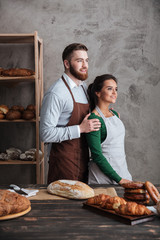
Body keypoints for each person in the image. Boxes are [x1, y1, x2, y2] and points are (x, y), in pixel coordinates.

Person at [40, 43, 101, 184]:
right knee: (63, 205)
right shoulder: (56, 93)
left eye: (86, 60)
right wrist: (80, 129)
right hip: (63, 163)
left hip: (83, 158)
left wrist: (109, 115)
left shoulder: (83, 87)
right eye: (79, 61)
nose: (85, 65)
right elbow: (45, 134)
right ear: (67, 64)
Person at [86, 74, 132, 185]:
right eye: (109, 89)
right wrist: (119, 179)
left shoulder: (114, 114)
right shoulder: (94, 119)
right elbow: (97, 155)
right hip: (103, 179)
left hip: (122, 171)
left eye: (116, 89)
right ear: (98, 93)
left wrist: (122, 177)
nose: (114, 93)